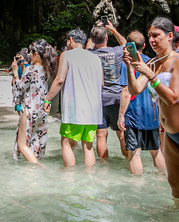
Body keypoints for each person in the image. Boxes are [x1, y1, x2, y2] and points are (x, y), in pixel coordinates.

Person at [126, 18, 179, 213]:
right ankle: (178, 217)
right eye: (150, 36)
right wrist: (130, 65)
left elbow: (172, 98)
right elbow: (135, 89)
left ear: (170, 36)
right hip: (169, 133)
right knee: (175, 184)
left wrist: (151, 76)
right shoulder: (153, 62)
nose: (152, 40)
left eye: (156, 35)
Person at [43, 28, 104, 167]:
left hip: (75, 109)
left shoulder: (67, 55)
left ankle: (69, 179)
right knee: (88, 146)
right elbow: (101, 84)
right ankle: (89, 179)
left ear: (71, 40)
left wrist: (47, 99)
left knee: (66, 142)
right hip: (93, 110)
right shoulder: (95, 58)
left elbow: (59, 80)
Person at [119, 30, 166, 174]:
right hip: (152, 112)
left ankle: (136, 187)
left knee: (134, 152)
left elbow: (127, 90)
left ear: (128, 46)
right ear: (144, 45)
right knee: (156, 150)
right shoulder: (152, 62)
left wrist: (121, 115)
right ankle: (163, 180)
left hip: (134, 113)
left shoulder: (127, 63)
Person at [12, 39, 58, 162]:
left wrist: (16, 73)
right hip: (42, 111)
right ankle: (34, 172)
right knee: (36, 144)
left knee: (22, 145)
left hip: (29, 109)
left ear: (36, 54)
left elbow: (19, 88)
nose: (29, 56)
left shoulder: (31, 70)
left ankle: (40, 168)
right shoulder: (47, 70)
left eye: (31, 53)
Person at [89, 20, 127, 160]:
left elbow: (89, 45)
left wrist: (95, 30)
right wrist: (113, 30)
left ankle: (103, 167)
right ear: (107, 38)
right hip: (116, 98)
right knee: (121, 133)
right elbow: (126, 45)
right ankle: (129, 161)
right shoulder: (116, 52)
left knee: (100, 135)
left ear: (92, 40)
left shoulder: (89, 54)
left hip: (98, 100)